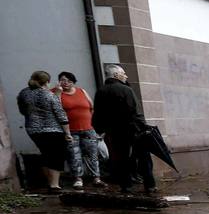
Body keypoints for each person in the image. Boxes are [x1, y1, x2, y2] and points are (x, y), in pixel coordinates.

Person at [93, 64, 155, 193]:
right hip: (132, 129)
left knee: (120, 158)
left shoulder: (101, 91)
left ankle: (125, 185)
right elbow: (135, 111)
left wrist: (100, 129)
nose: (126, 76)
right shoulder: (126, 90)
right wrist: (144, 127)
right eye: (123, 73)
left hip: (114, 131)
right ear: (116, 75)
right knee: (143, 157)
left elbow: (98, 113)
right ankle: (150, 184)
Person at [16, 71, 71, 193]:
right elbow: (60, 113)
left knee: (46, 154)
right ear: (47, 82)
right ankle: (54, 185)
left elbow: (22, 110)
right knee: (55, 156)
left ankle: (50, 182)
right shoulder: (49, 94)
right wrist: (67, 133)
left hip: (33, 129)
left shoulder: (23, 93)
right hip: (52, 129)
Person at [52, 71, 102, 189]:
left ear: (73, 82)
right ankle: (78, 179)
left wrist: (94, 124)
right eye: (63, 80)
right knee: (74, 155)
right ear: (59, 81)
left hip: (88, 129)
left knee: (92, 154)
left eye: (69, 81)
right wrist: (58, 93)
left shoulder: (81, 91)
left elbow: (92, 107)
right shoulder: (54, 92)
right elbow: (56, 108)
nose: (66, 83)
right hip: (70, 131)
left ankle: (96, 178)